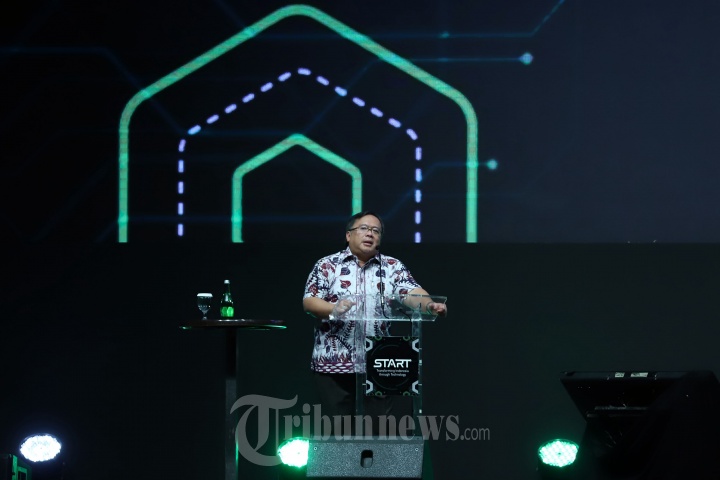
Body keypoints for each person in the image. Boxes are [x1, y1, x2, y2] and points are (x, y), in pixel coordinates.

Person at [302, 211, 447, 437]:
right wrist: (333, 309)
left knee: (377, 435)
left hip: (377, 363)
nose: (370, 234)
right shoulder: (327, 265)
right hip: (334, 364)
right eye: (364, 229)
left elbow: (410, 291)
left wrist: (428, 305)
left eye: (375, 231)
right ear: (348, 235)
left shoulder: (391, 266)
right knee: (338, 435)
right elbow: (310, 301)